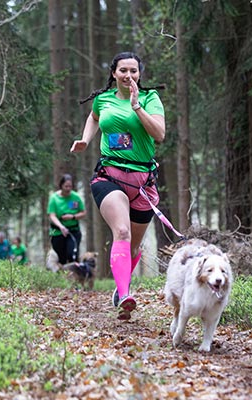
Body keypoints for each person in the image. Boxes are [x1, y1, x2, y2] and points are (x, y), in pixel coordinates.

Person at [70, 52, 165, 320]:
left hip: (143, 182)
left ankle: (120, 286)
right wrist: (86, 140)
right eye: (123, 70)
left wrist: (137, 107)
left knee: (133, 246)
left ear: (139, 74)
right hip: (109, 176)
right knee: (121, 231)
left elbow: (159, 134)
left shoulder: (150, 98)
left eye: (133, 71)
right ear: (114, 73)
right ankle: (125, 296)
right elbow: (94, 117)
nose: (128, 75)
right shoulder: (103, 99)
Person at [47, 174, 86, 265]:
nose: (68, 188)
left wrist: (73, 216)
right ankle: (62, 272)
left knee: (72, 255)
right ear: (61, 186)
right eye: (66, 186)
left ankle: (74, 272)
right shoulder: (54, 198)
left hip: (73, 231)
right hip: (57, 232)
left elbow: (83, 212)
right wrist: (61, 227)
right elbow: (52, 215)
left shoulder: (76, 197)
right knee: (61, 257)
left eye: (70, 186)